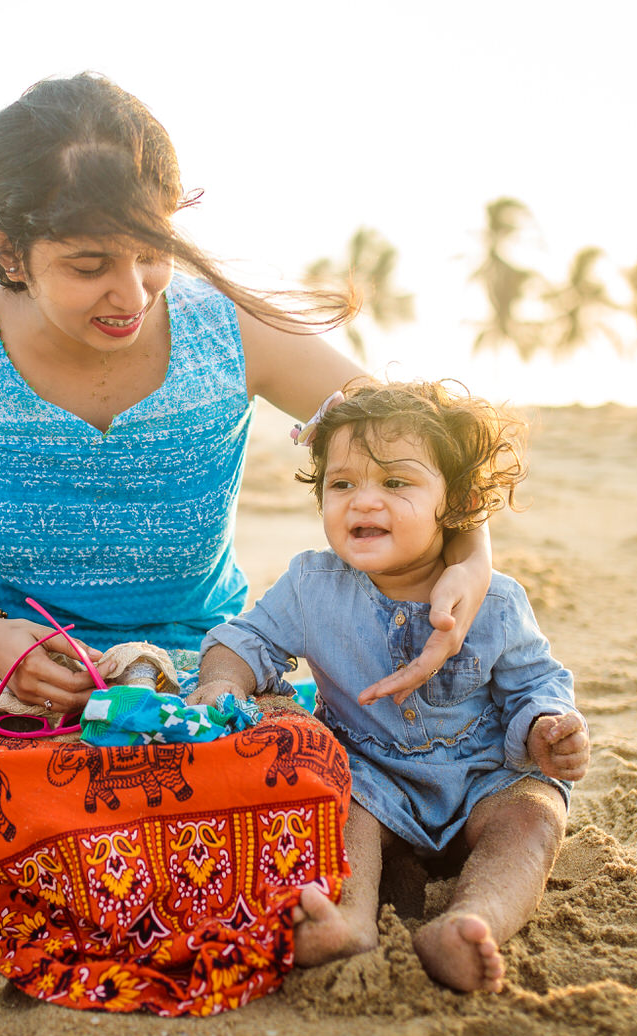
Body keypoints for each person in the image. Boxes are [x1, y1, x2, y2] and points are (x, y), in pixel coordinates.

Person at [0, 73, 495, 1015]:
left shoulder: (231, 329)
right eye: (90, 262)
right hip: (22, 693)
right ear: (4, 248)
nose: (129, 292)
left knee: (303, 769)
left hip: (202, 685)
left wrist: (470, 557)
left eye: (150, 254)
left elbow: (418, 440)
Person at [190, 380, 589, 993]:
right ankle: (350, 918)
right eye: (342, 484)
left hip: (484, 781)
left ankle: (469, 921)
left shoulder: (498, 600)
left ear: (453, 505)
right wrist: (220, 684)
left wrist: (547, 729)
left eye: (396, 484)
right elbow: (244, 639)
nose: (363, 502)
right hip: (373, 782)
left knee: (535, 817)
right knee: (339, 806)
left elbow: (535, 683)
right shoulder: (311, 585)